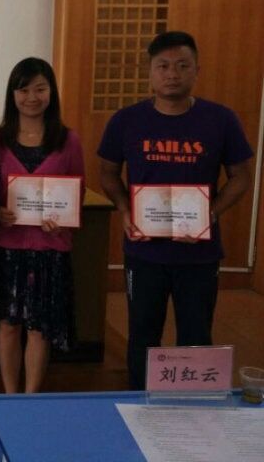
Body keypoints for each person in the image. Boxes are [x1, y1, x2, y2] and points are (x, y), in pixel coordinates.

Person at [98, 31, 253, 390]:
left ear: (197, 70)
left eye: (182, 66)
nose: (172, 74)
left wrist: (211, 213)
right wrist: (124, 209)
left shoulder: (220, 120)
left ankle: (191, 406)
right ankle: (140, 402)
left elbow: (241, 177)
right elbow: (108, 173)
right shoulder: (126, 120)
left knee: (196, 335)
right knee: (143, 333)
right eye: (163, 66)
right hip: (144, 252)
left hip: (198, 253)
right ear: (150, 72)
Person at [0, 58, 84, 393]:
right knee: (8, 325)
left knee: (39, 328)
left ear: (51, 92)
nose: (32, 97)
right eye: (23, 90)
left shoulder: (68, 140)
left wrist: (62, 221)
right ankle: (11, 396)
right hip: (5, 248)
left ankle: (30, 398)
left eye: (40, 89)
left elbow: (77, 192)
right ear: (13, 94)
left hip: (48, 249)